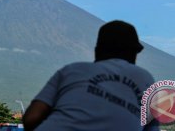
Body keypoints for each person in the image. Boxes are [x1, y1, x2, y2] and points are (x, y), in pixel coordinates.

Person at [23, 20, 159, 131]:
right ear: (133, 53)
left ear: (97, 50)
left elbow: (31, 118)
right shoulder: (146, 80)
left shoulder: (72, 70)